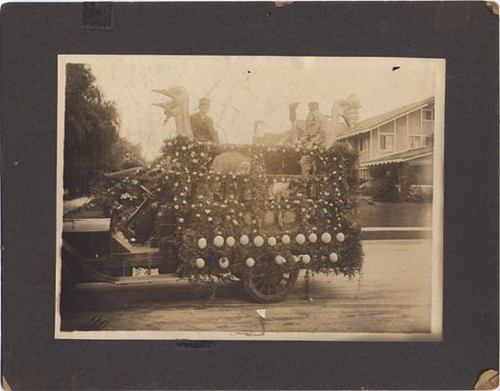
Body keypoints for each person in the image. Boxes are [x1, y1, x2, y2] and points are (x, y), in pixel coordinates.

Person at [299, 101, 329, 174]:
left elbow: (323, 134)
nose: (311, 112)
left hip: (321, 144)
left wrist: (313, 143)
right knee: (301, 160)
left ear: (317, 109)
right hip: (311, 145)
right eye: (310, 110)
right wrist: (301, 141)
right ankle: (306, 179)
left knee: (304, 161)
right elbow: (307, 134)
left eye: (313, 110)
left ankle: (306, 180)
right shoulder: (309, 119)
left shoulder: (322, 119)